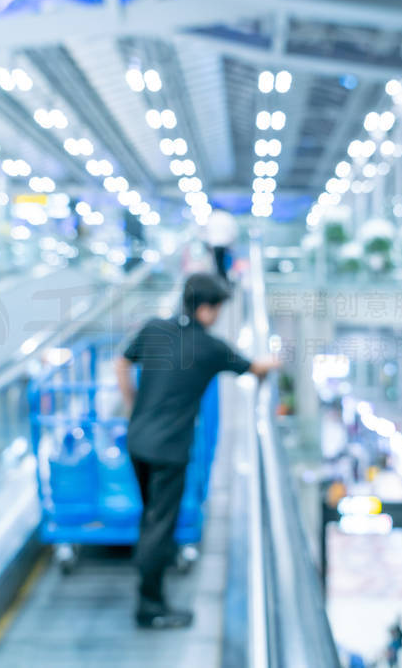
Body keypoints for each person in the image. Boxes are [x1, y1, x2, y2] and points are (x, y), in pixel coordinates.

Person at [116, 272, 279, 629]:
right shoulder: (210, 348)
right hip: (168, 450)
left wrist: (132, 406)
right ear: (205, 309)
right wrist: (273, 362)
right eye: (217, 309)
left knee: (151, 516)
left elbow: (122, 362)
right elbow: (254, 368)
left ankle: (152, 571)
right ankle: (151, 607)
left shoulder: (154, 329)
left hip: (138, 440)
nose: (218, 316)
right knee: (160, 525)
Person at [203, 209, 238, 280]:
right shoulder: (227, 217)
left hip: (215, 245)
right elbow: (233, 231)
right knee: (222, 266)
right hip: (224, 244)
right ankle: (223, 281)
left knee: (218, 266)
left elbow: (205, 232)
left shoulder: (212, 217)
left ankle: (221, 281)